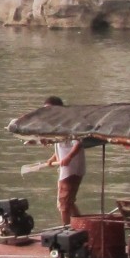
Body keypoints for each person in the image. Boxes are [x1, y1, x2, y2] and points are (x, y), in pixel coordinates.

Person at [43, 95, 85, 225]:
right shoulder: (56, 126)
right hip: (64, 167)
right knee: (69, 202)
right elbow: (61, 146)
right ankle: (82, 227)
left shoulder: (69, 123)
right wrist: (53, 158)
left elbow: (78, 143)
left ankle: (66, 231)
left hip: (72, 168)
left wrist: (68, 157)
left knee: (63, 203)